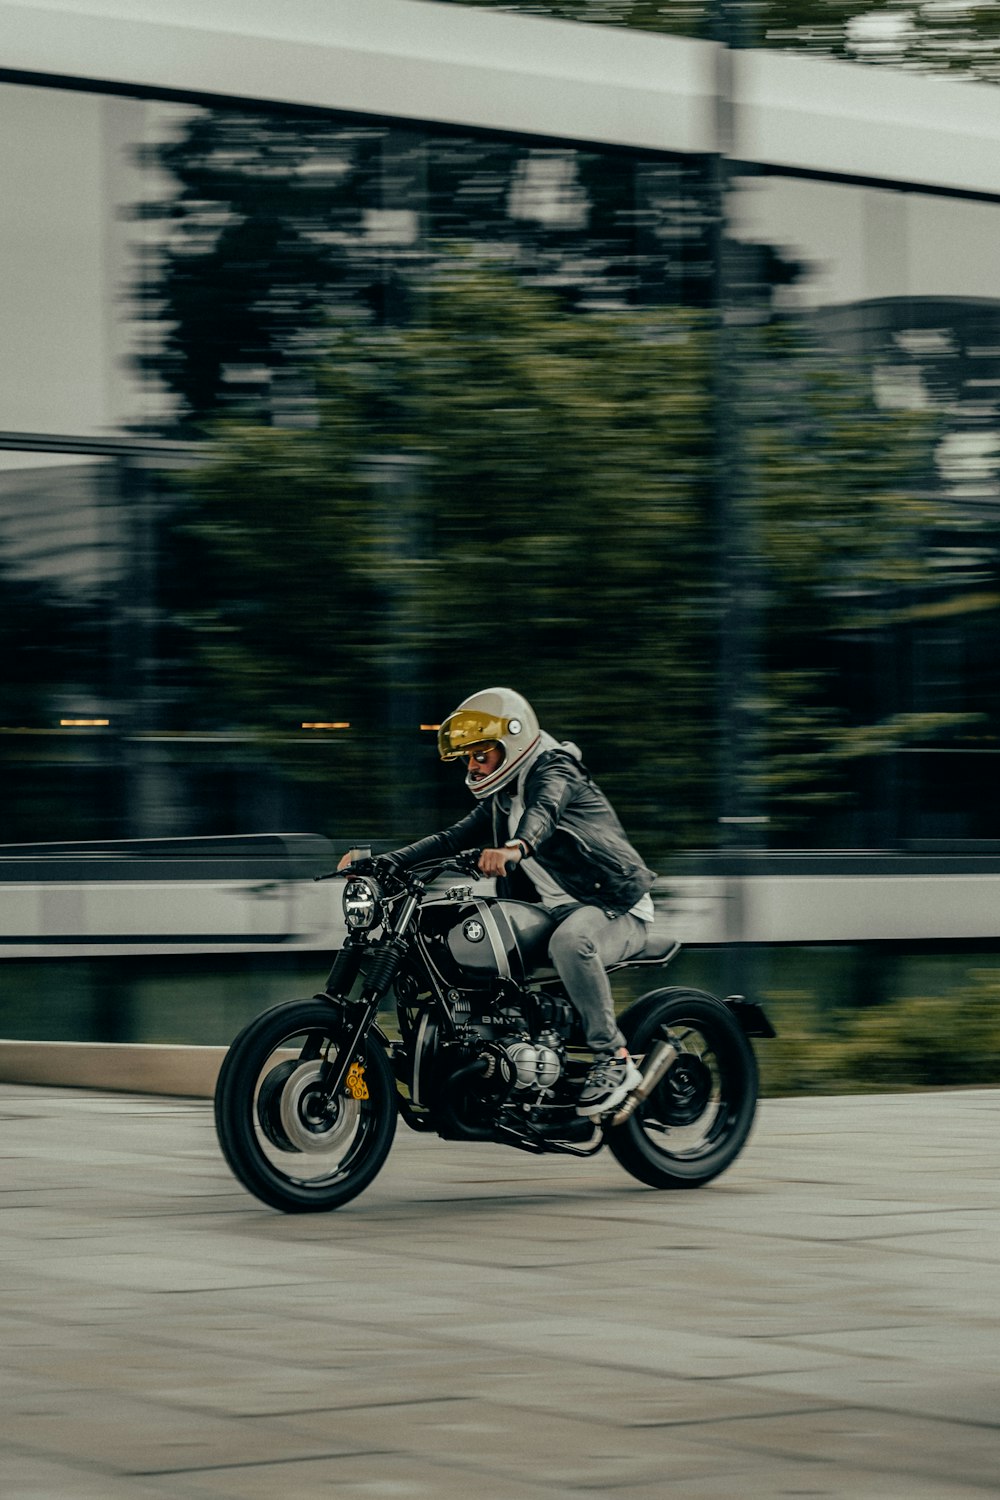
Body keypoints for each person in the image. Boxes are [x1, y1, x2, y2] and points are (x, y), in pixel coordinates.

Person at [340, 687, 657, 1117]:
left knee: (571, 942)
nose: (471, 765)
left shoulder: (555, 768)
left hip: (611, 904)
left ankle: (614, 1060)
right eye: (467, 757)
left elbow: (544, 810)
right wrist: (383, 864)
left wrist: (515, 848)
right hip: (553, 911)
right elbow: (450, 840)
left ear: (511, 743)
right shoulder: (501, 799)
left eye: (480, 754)